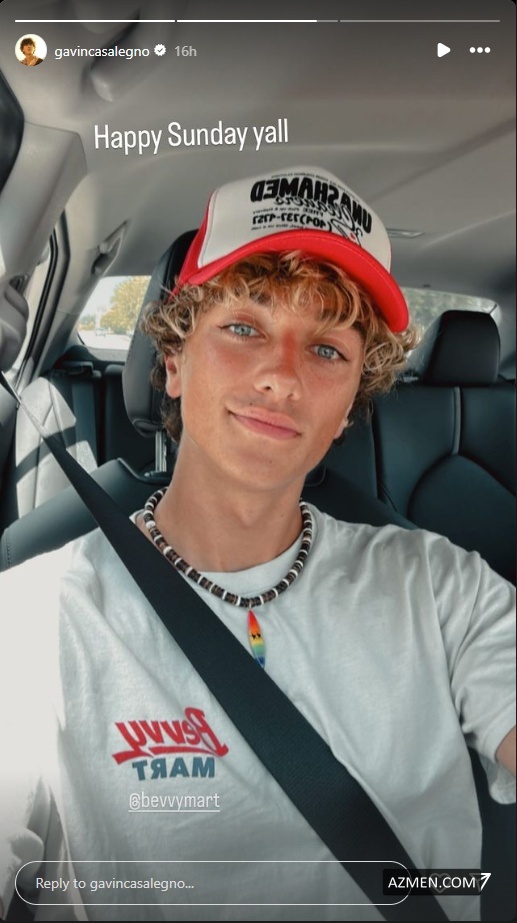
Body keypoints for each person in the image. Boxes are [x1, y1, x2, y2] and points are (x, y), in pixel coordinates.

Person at [0, 166, 514, 922]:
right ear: (173, 361)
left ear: (348, 407)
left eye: (328, 350)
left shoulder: (443, 587)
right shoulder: (34, 616)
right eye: (244, 328)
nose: (282, 377)